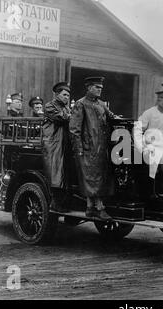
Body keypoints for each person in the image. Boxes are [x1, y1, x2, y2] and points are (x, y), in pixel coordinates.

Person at [69, 76, 116, 220]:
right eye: (97, 87)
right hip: (88, 149)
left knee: (100, 178)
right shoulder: (80, 104)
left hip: (101, 149)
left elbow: (112, 116)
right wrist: (79, 149)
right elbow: (74, 129)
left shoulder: (102, 104)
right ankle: (99, 208)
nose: (100, 90)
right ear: (89, 88)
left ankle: (90, 208)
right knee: (90, 179)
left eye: (101, 88)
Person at [42, 82, 72, 213]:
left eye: (68, 95)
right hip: (53, 143)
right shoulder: (49, 106)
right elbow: (61, 118)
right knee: (55, 173)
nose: (67, 97)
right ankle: (54, 203)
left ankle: (62, 202)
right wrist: (74, 115)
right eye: (64, 94)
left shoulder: (66, 108)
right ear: (57, 94)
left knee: (64, 172)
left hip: (64, 142)